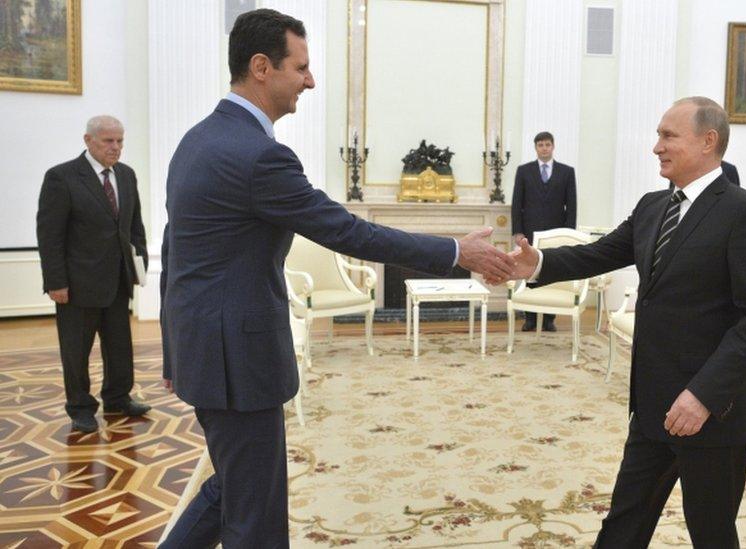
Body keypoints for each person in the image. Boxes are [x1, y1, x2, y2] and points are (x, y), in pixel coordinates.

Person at [157, 9, 513, 548]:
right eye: (300, 67)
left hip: (205, 349)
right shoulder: (259, 157)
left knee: (235, 487)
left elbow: (176, 250)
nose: (311, 80)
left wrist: (173, 350)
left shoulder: (196, 140)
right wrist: (455, 251)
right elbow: (350, 233)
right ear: (261, 67)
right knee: (257, 516)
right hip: (237, 360)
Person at [508, 97, 746, 547]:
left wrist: (702, 396)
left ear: (708, 141)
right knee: (622, 527)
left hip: (712, 414)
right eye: (658, 135)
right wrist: (536, 264)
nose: (656, 147)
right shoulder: (653, 206)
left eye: (668, 136)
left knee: (711, 535)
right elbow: (598, 253)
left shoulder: (745, 212)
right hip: (653, 405)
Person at [36, 115, 150, 434]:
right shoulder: (62, 177)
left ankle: (117, 397)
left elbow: (134, 226)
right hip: (77, 285)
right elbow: (50, 234)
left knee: (119, 345)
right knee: (76, 351)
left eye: (120, 141)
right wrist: (55, 281)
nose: (116, 147)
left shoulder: (126, 176)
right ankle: (80, 407)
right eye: (109, 141)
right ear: (89, 141)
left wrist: (138, 261)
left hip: (117, 280)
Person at [511, 131, 577, 332]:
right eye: (540, 145)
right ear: (536, 148)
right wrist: (518, 231)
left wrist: (568, 233)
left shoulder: (567, 172)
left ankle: (549, 319)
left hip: (557, 232)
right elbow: (517, 204)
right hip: (529, 232)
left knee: (552, 270)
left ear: (553, 146)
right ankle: (530, 317)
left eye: (547, 144)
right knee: (530, 271)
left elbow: (571, 205)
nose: (544, 148)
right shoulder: (524, 171)